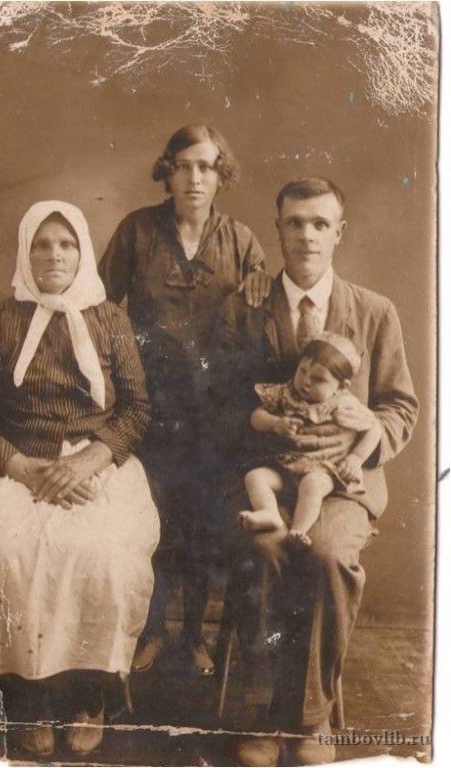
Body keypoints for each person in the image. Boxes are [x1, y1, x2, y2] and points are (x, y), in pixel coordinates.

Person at [216, 177, 419, 766]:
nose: (307, 235)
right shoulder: (243, 308)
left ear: (339, 232)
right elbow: (219, 404)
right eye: (295, 223)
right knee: (266, 548)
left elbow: (400, 406)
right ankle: (260, 709)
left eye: (320, 224)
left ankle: (309, 716)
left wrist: (358, 442)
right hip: (267, 471)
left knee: (327, 553)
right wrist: (270, 429)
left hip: (342, 483)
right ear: (278, 228)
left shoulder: (374, 311)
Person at [0, 201, 159, 758]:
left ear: (82, 251)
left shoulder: (111, 320)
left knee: (105, 554)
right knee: (6, 549)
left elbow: (137, 407)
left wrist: (91, 459)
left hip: (96, 466)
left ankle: (89, 695)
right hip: (17, 465)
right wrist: (20, 465)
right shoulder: (0, 319)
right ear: (26, 252)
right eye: (41, 244)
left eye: (66, 244)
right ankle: (28, 698)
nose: (54, 255)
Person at [98, 125, 271, 676]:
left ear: (221, 175)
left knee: (200, 522)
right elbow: (98, 308)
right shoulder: (136, 231)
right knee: (149, 518)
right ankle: (150, 630)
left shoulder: (242, 241)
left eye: (207, 167)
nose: (195, 178)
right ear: (167, 172)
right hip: (146, 406)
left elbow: (265, 315)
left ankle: (194, 634)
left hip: (214, 411)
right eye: (184, 166)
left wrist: (262, 283)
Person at [239, 332, 382, 545]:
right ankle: (269, 513)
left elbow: (374, 428)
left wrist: (355, 458)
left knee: (312, 485)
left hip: (323, 469)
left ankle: (298, 531)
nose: (306, 382)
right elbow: (255, 417)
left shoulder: (344, 404)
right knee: (255, 477)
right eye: (303, 371)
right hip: (284, 466)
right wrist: (274, 423)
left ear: (342, 386)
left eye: (319, 379)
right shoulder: (286, 392)